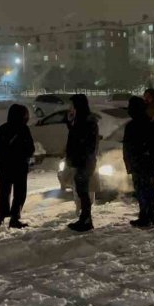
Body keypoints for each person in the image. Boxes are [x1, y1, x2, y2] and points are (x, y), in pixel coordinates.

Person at [0, 104, 36, 228]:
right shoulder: (23, 129)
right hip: (19, 167)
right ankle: (14, 217)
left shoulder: (3, 128)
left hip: (5, 166)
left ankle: (1, 216)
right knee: (19, 192)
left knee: (4, 192)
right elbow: (30, 148)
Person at [123, 96, 154, 228]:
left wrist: (132, 162)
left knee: (142, 190)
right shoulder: (151, 123)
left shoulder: (134, 125)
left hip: (140, 163)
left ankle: (146, 216)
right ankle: (150, 215)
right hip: (147, 163)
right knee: (147, 189)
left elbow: (129, 147)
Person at [65, 94, 98, 232]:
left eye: (73, 104)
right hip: (82, 160)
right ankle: (85, 218)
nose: (71, 107)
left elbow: (81, 140)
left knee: (83, 191)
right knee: (81, 190)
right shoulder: (82, 119)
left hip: (83, 161)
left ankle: (86, 220)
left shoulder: (86, 120)